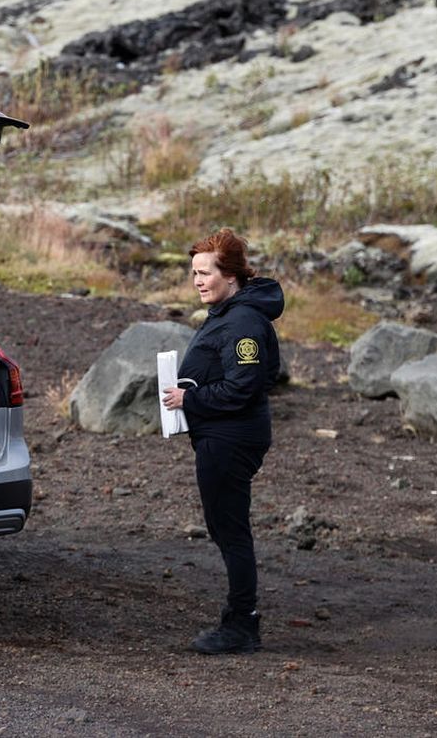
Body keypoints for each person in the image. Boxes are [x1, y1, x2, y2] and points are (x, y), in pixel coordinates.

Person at [161, 227, 283, 655]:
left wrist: (189, 399)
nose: (197, 281)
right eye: (193, 273)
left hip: (231, 439)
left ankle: (241, 625)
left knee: (230, 531)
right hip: (223, 436)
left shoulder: (243, 321)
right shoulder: (231, 314)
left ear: (230, 276)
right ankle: (240, 619)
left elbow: (245, 386)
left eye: (205, 273)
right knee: (226, 527)